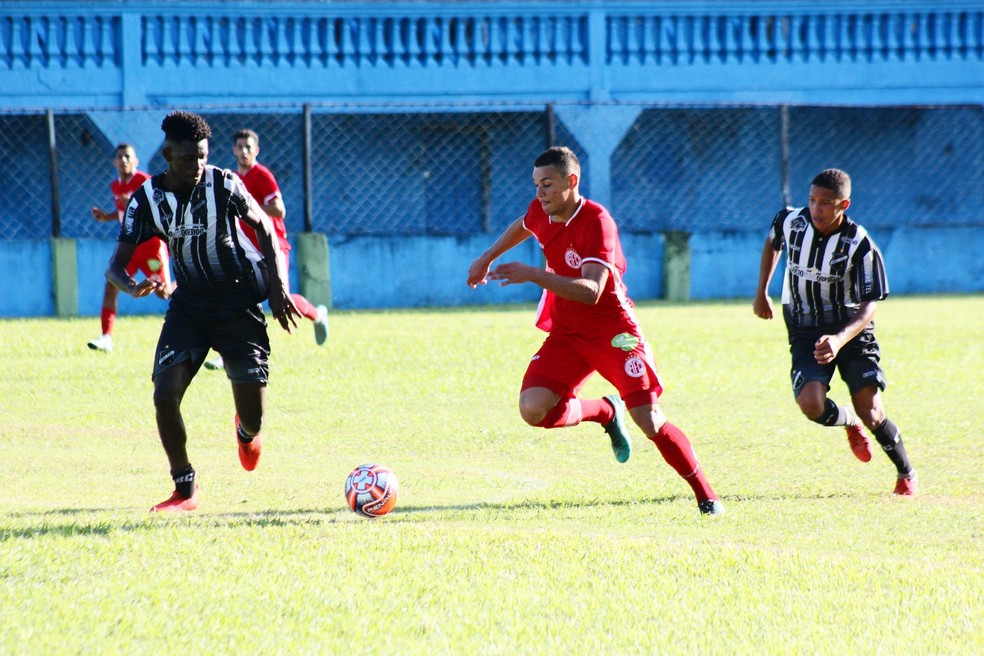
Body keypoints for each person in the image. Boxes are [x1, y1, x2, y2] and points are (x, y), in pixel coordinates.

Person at [467, 146, 724, 515]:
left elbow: (592, 292)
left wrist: (533, 274)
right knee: (533, 409)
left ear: (572, 182)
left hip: (613, 331)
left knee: (649, 419)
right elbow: (522, 225)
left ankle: (706, 495)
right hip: (568, 334)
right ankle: (604, 411)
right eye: (537, 185)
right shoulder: (542, 211)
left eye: (548, 185)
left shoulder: (597, 221)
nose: (540, 194)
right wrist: (486, 257)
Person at [105, 111, 300, 512]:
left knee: (255, 419)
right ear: (168, 153)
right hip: (189, 306)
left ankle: (246, 432)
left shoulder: (223, 182)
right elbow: (115, 265)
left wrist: (279, 289)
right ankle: (185, 489)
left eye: (202, 156)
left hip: (237, 303)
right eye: (188, 157)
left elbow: (264, 226)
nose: (197, 166)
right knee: (164, 395)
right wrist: (130, 286)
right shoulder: (147, 200)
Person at [753, 168, 916, 496]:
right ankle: (848, 423)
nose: (816, 208)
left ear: (844, 205)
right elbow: (773, 244)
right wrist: (762, 291)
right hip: (804, 328)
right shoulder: (790, 221)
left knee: (870, 410)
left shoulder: (859, 244)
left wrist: (841, 338)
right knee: (811, 405)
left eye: (825, 203)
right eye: (812, 200)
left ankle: (905, 471)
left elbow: (870, 303)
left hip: (850, 330)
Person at [204, 128, 327, 371]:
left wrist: (248, 206)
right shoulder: (232, 179)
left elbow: (279, 209)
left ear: (256, 150)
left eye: (249, 147)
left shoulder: (261, 175)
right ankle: (228, 353)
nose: (244, 151)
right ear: (234, 150)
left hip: (273, 245)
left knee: (280, 298)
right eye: (240, 147)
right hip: (247, 249)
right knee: (235, 297)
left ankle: (318, 315)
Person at [88, 144, 173, 352]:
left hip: (151, 246)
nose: (123, 160)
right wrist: (105, 217)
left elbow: (158, 211)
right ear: (114, 162)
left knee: (163, 292)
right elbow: (123, 214)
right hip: (129, 248)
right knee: (111, 285)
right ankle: (106, 337)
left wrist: (137, 203)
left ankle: (181, 285)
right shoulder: (116, 186)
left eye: (128, 157)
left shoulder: (144, 181)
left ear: (135, 161)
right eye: (120, 157)